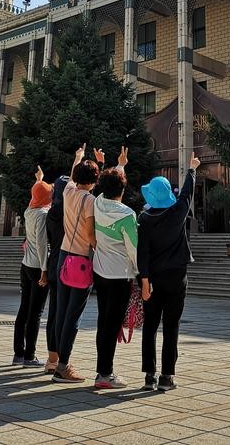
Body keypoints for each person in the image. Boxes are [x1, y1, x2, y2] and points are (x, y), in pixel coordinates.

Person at [138, 152, 200, 392]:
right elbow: (186, 194)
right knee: (171, 325)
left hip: (151, 278)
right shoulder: (177, 213)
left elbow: (141, 252)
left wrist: (143, 280)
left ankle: (149, 376)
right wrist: (192, 169)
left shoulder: (144, 219)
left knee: (150, 326)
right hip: (176, 276)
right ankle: (167, 377)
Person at [52, 144, 99, 384]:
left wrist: (78, 156)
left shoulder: (68, 192)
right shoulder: (89, 200)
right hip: (80, 258)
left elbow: (72, 177)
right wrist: (99, 247)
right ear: (93, 181)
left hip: (63, 256)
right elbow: (90, 234)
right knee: (74, 314)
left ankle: (59, 360)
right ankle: (63, 367)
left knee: (61, 310)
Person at [92, 148, 138, 390]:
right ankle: (104, 374)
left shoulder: (98, 203)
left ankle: (102, 370)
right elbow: (133, 250)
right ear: (123, 189)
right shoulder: (127, 216)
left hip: (100, 273)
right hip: (120, 275)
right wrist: (142, 275)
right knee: (112, 324)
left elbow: (108, 184)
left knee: (104, 321)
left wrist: (120, 165)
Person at [13, 165, 53, 367]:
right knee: (35, 312)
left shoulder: (29, 210)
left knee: (23, 309)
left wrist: (39, 179)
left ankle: (18, 353)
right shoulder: (42, 215)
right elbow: (40, 243)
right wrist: (45, 270)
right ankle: (30, 356)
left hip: (25, 265)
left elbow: (36, 195)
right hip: (38, 267)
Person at [44, 174, 70, 375]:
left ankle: (52, 359)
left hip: (53, 266)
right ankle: (62, 361)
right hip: (69, 266)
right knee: (66, 314)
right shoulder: (70, 211)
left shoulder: (52, 213)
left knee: (53, 313)